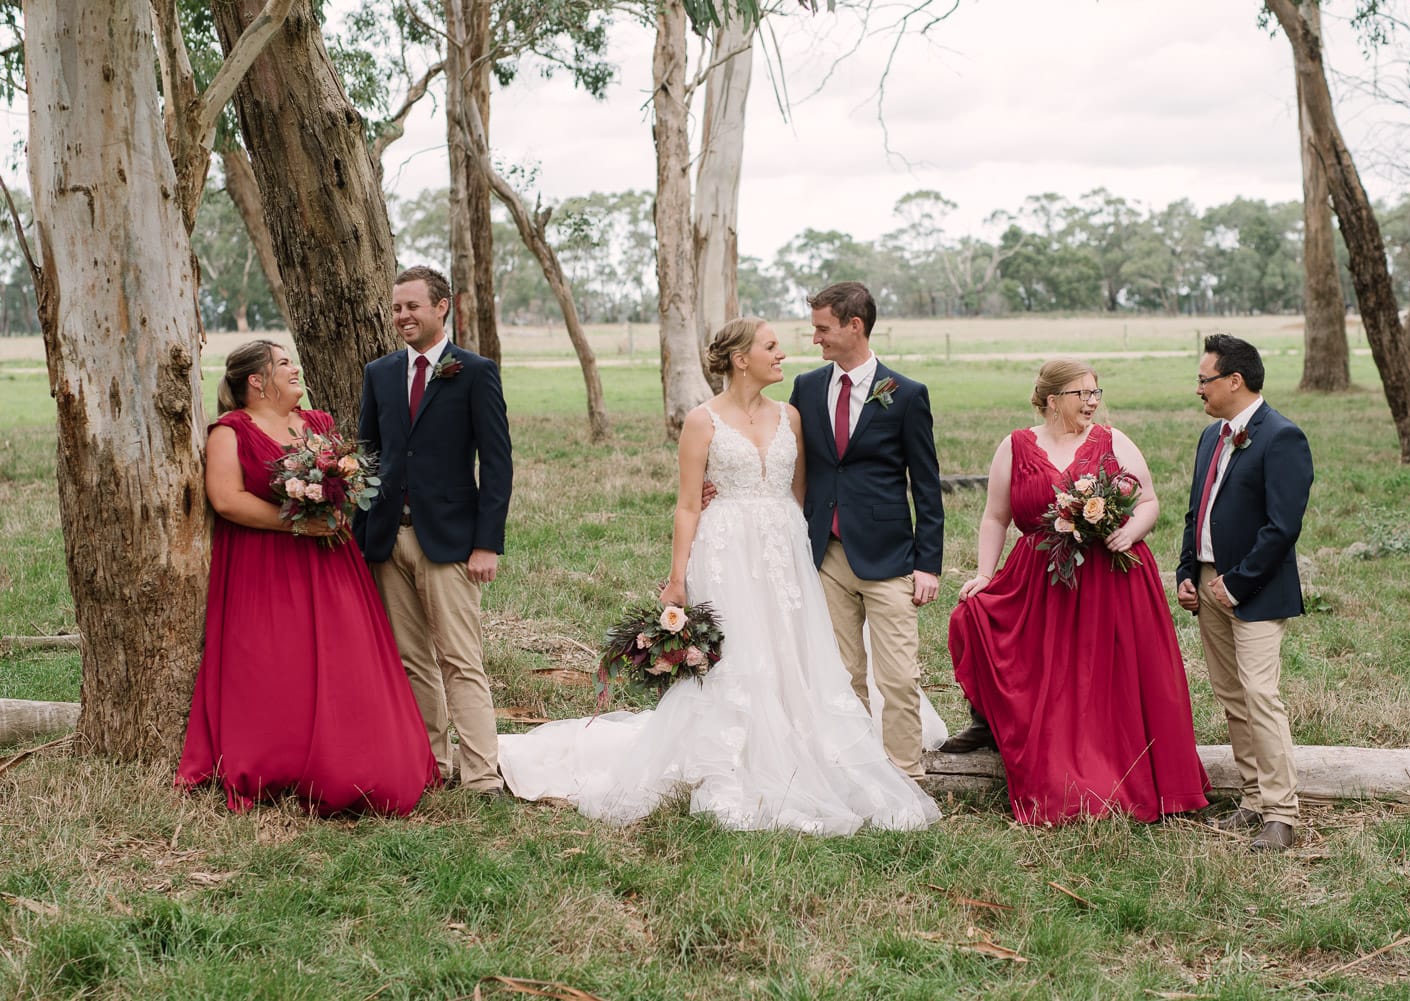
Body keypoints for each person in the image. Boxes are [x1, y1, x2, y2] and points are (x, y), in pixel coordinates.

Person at [494, 318, 939, 834]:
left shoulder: (792, 415)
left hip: (785, 549)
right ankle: (727, 763)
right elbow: (686, 505)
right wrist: (676, 578)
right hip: (726, 549)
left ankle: (807, 748)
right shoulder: (701, 421)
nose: (783, 354)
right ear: (740, 359)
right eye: (771, 347)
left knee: (791, 650)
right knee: (738, 657)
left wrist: (795, 548)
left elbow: (802, 492)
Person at [177, 340, 439, 816]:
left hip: (331, 562)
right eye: (283, 364)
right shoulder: (230, 431)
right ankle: (280, 765)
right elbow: (226, 499)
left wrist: (337, 505)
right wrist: (297, 522)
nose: (294, 369)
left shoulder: (317, 424)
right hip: (265, 566)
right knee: (276, 665)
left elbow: (346, 479)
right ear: (257, 381)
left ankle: (359, 761)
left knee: (347, 658)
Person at [947, 359, 1210, 825]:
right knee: (972, 615)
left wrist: (1129, 532)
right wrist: (985, 575)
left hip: (1112, 579)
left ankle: (1121, 769)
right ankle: (995, 727)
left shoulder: (1112, 441)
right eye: (1081, 394)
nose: (1093, 402)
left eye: (1095, 393)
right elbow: (995, 517)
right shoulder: (1015, 447)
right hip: (1041, 580)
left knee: (1107, 679)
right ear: (1052, 400)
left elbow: (1149, 501)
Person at [355, 266, 513, 798]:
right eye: (397, 308)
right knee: (410, 659)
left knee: (460, 658)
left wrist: (487, 542)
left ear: (442, 307)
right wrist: (362, 537)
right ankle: (432, 761)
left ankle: (481, 773)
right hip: (387, 538)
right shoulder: (378, 374)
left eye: (412, 307)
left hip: (450, 541)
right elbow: (368, 458)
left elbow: (496, 463)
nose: (402, 316)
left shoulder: (474, 371)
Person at [785, 282, 944, 780]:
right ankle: (855, 772)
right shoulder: (806, 388)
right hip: (825, 553)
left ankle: (906, 773)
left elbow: (927, 486)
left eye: (822, 328)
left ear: (855, 326)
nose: (815, 339)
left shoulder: (905, 394)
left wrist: (928, 563)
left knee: (897, 676)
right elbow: (792, 463)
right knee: (842, 673)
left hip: (890, 556)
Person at [1176, 334, 1313, 852]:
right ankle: (1253, 798)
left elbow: (1282, 527)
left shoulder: (1282, 437)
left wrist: (1238, 582)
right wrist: (1188, 571)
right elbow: (1198, 512)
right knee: (1232, 697)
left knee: (1260, 695)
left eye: (1204, 379)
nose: (1199, 390)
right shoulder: (1212, 437)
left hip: (1253, 588)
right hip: (1210, 582)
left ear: (1235, 380)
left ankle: (1281, 812)